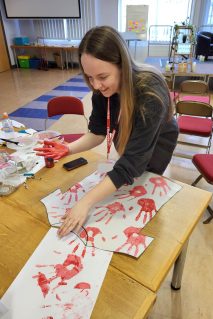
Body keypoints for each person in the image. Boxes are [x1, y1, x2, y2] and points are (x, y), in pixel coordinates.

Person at [35, 26, 179, 238]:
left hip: (158, 140)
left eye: (102, 76)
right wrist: (67, 149)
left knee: (143, 185)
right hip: (130, 129)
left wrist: (85, 202)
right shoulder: (102, 90)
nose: (96, 85)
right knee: (125, 177)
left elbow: (132, 163)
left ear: (123, 64)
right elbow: (98, 132)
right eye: (89, 77)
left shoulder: (150, 93)